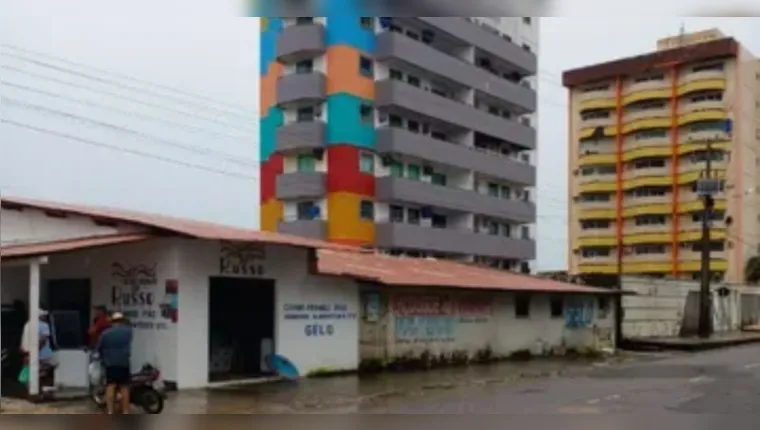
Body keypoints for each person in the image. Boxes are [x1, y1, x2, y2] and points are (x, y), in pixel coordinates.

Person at [96, 312, 133, 414]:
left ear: (112, 322)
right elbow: (129, 325)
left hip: (110, 363)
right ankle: (126, 411)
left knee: (110, 386)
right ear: (122, 321)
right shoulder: (128, 332)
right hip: (124, 362)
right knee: (124, 387)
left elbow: (99, 347)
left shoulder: (105, 333)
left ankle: (110, 411)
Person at [20, 309, 55, 390]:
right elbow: (43, 340)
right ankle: (39, 391)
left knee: (29, 374)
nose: (45, 317)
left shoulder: (27, 325)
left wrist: (27, 354)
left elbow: (23, 341)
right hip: (43, 356)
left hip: (28, 354)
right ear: (40, 316)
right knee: (43, 374)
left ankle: (30, 390)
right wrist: (35, 352)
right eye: (43, 315)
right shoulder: (44, 325)